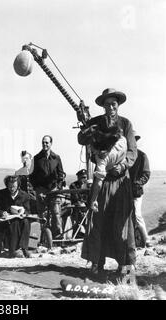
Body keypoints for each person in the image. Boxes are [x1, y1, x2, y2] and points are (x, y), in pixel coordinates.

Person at [78, 88, 137, 277]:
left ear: (118, 105)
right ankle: (96, 262)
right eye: (107, 104)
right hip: (102, 182)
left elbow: (132, 152)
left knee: (122, 224)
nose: (110, 107)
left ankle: (125, 265)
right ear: (103, 106)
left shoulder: (126, 124)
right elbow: (82, 139)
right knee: (97, 221)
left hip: (121, 182)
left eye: (113, 103)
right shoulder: (96, 123)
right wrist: (84, 125)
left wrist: (122, 167)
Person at [29, 135, 66, 237]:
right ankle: (43, 238)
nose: (45, 144)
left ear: (51, 144)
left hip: (54, 190)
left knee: (56, 213)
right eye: (43, 142)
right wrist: (37, 189)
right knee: (42, 215)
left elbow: (61, 174)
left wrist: (57, 187)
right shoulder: (36, 158)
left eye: (47, 142)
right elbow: (32, 176)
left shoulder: (56, 158)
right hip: (41, 190)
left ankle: (57, 237)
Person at [88, 125, 128, 213]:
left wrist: (93, 200)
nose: (90, 149)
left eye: (91, 147)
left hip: (110, 182)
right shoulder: (122, 140)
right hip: (123, 179)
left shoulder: (102, 158)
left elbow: (98, 183)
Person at [0, 175, 31, 258]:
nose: (12, 188)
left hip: (20, 219)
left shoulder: (24, 195)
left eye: (14, 186)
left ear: (18, 185)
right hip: (5, 221)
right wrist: (2, 213)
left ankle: (24, 248)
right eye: (9, 186)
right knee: (14, 222)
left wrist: (24, 213)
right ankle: (14, 250)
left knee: (26, 222)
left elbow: (28, 210)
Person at [129, 133, 151, 247]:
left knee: (137, 215)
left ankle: (146, 240)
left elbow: (146, 174)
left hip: (136, 191)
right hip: (123, 191)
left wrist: (138, 183)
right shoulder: (124, 156)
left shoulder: (142, 156)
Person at [15, 150, 38, 215]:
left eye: (27, 158)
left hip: (35, 200)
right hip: (24, 202)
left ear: (31, 159)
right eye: (23, 159)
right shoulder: (18, 172)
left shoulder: (36, 172)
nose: (25, 161)